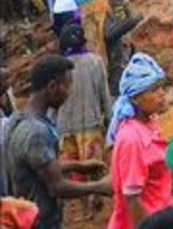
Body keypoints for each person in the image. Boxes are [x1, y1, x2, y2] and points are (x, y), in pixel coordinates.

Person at [4, 55, 111, 229]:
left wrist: (79, 166)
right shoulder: (37, 133)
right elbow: (57, 187)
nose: (68, 93)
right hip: (40, 221)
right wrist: (100, 186)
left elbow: (40, 167)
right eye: (67, 86)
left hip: (20, 217)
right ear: (52, 87)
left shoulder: (17, 120)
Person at [107, 55, 173, 229]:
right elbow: (132, 199)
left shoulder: (150, 123)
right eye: (153, 90)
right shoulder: (131, 139)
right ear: (136, 98)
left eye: (161, 87)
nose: (162, 94)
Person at [54, 24, 110, 220]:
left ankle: (85, 208)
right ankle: (96, 199)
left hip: (64, 126)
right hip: (90, 123)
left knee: (75, 170)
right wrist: (109, 118)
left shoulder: (58, 67)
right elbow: (104, 94)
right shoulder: (95, 62)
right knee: (93, 167)